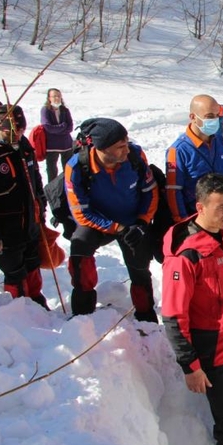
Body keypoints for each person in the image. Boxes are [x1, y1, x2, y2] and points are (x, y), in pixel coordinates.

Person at [161, 173, 223, 445]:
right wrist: (190, 366)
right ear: (200, 207)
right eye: (221, 207)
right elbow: (173, 316)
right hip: (218, 351)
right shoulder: (187, 256)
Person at [64, 118, 159, 322]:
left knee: (140, 268)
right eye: (120, 147)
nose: (127, 150)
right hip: (99, 222)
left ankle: (146, 315)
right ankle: (82, 314)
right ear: (101, 149)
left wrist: (142, 223)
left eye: (127, 144)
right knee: (80, 248)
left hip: (133, 220)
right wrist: (116, 228)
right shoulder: (77, 167)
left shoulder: (135, 156)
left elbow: (150, 193)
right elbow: (80, 212)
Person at [0, 105, 48, 307]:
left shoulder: (23, 146)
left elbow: (35, 177)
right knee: (14, 269)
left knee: (33, 261)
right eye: (9, 133)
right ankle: (20, 307)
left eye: (20, 131)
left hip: (29, 221)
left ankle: (36, 300)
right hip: (5, 227)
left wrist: (41, 203)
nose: (15, 136)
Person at [165, 94, 223, 223]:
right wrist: (182, 220)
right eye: (210, 116)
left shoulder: (219, 140)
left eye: (217, 116)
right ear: (193, 117)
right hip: (197, 220)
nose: (215, 120)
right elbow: (174, 191)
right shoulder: (178, 151)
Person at [40, 88, 75, 181]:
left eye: (59, 96)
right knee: (52, 171)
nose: (57, 98)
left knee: (68, 170)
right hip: (52, 146)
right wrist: (62, 127)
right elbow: (47, 127)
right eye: (54, 96)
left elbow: (70, 127)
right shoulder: (45, 110)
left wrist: (58, 130)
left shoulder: (65, 110)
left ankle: (67, 189)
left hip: (66, 144)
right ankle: (52, 191)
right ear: (49, 98)